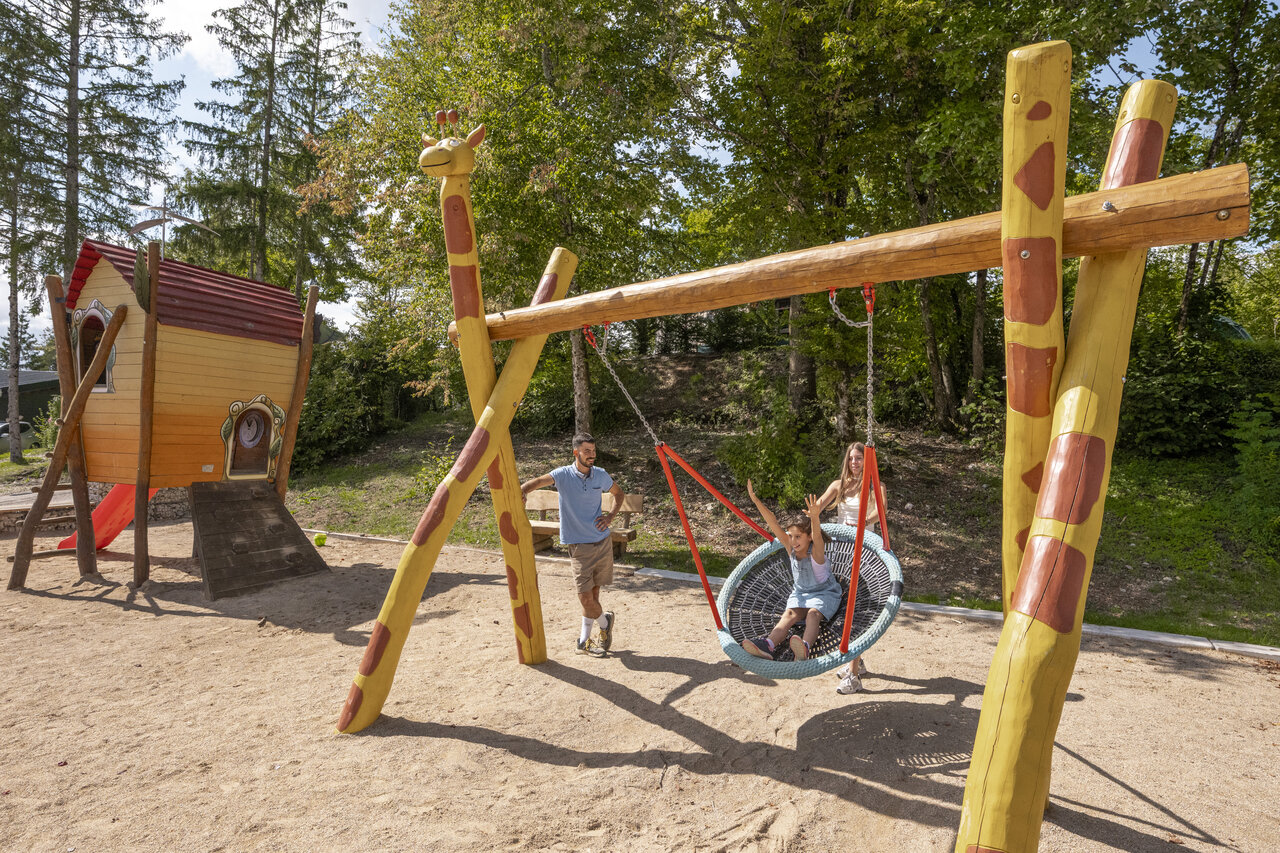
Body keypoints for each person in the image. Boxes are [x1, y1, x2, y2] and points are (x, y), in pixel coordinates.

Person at [520, 433, 624, 658]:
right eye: (587, 452)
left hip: (602, 541)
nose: (592, 456)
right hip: (579, 547)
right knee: (585, 598)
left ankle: (583, 641)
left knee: (593, 596)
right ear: (576, 453)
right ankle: (605, 622)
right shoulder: (563, 475)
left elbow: (618, 494)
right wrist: (522, 491)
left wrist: (610, 517)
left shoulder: (601, 475)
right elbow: (537, 482)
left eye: (593, 451)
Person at [740, 480, 844, 663]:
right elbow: (772, 522)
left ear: (808, 537)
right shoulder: (791, 549)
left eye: (798, 537)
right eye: (791, 537)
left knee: (813, 614)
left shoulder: (816, 555)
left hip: (824, 594)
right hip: (801, 593)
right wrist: (755, 500)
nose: (793, 541)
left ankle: (804, 647)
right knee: (789, 615)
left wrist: (814, 518)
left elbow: (818, 536)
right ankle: (769, 645)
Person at [816, 441, 883, 694]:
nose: (855, 463)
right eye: (852, 459)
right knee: (845, 606)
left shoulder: (875, 485)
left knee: (856, 610)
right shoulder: (839, 485)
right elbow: (819, 505)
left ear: (867, 462)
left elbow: (881, 511)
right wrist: (806, 518)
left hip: (864, 553)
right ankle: (858, 660)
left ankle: (854, 676)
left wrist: (861, 523)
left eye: (859, 459)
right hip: (843, 553)